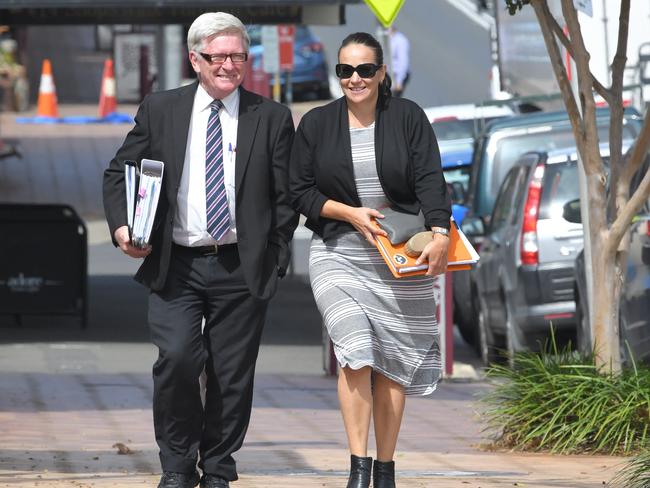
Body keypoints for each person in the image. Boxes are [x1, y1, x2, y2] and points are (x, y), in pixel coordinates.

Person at [102, 12, 297, 488]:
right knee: (178, 360)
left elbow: (286, 194)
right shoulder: (161, 109)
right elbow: (118, 173)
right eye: (218, 57)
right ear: (195, 59)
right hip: (177, 264)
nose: (229, 66)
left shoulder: (269, 117)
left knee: (232, 375)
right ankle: (176, 467)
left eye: (238, 57)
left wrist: (274, 250)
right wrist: (123, 228)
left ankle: (218, 469)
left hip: (240, 264)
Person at [289, 32, 451, 488]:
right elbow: (298, 191)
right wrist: (348, 213)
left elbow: (430, 180)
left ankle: (385, 468)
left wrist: (439, 233)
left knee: (394, 361)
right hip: (339, 251)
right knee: (355, 350)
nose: (354, 78)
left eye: (364, 69)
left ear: (383, 73)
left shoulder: (407, 117)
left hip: (399, 256)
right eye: (345, 70)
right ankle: (358, 467)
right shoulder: (317, 124)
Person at [388, 26, 410, 98]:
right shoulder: (388, 39)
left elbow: (403, 61)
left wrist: (399, 81)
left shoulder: (400, 41)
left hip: (397, 75)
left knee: (394, 101)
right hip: (388, 74)